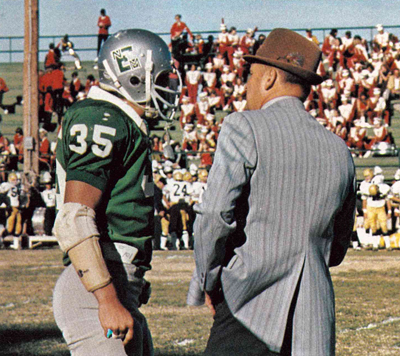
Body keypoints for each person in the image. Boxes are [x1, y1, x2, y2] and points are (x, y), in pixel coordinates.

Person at [187, 28, 356, 356]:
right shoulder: (340, 150)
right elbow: (337, 248)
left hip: (249, 306)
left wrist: (208, 279)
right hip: (314, 317)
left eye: (249, 75)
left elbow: (214, 215)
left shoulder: (243, 126)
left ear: (267, 79)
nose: (246, 84)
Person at [52, 29, 181, 356]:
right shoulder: (101, 118)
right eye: (162, 78)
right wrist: (108, 298)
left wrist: (131, 281)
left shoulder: (123, 121)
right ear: (134, 75)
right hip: (95, 293)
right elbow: (74, 218)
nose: (169, 87)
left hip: (113, 284)